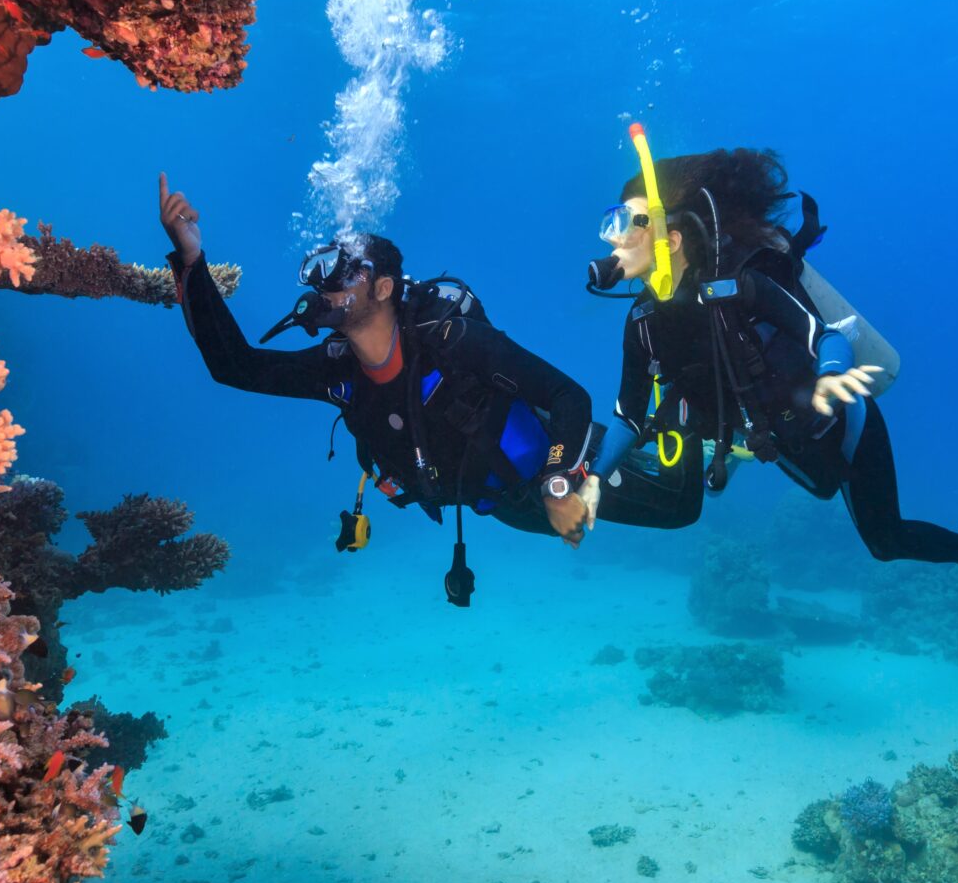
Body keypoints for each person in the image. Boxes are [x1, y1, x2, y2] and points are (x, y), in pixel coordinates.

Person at [156, 175, 694, 603]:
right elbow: (235, 366)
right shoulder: (337, 370)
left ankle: (702, 402)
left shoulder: (452, 341)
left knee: (681, 505)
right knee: (661, 499)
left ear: (385, 288)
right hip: (502, 502)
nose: (327, 288)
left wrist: (559, 485)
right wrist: (191, 262)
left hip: (560, 453)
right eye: (323, 277)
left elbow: (568, 396)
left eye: (344, 274)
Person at [580, 135, 958, 572]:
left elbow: (826, 338)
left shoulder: (739, 289)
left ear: (672, 238)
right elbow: (629, 418)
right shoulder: (642, 322)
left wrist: (832, 375)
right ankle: (730, 447)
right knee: (766, 466)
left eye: (626, 223)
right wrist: (596, 478)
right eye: (610, 223)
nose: (612, 238)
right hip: (779, 439)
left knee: (886, 542)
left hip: (844, 423)